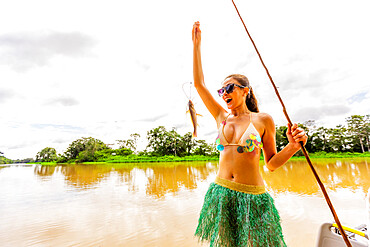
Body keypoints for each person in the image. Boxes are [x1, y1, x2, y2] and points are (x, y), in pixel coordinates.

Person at [192, 21, 308, 247]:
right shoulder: (220, 117)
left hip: (253, 197)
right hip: (221, 193)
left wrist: (293, 146)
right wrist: (196, 45)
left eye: (230, 87)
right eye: (221, 90)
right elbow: (199, 84)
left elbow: (272, 164)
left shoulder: (263, 120)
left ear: (245, 91)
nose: (224, 93)